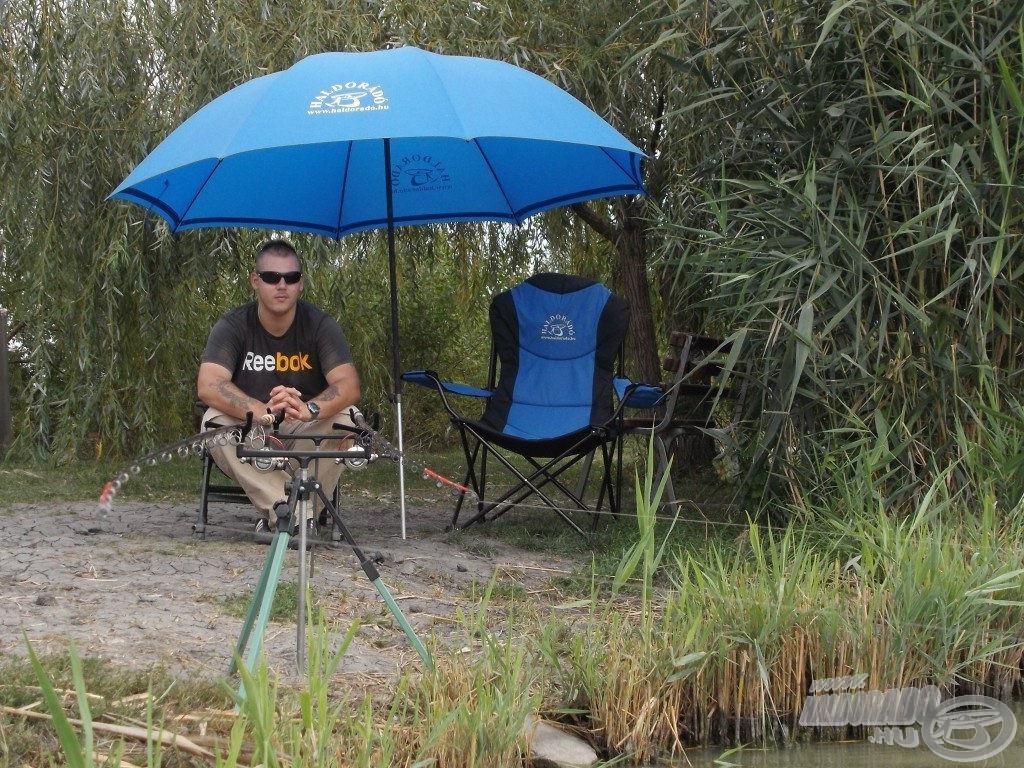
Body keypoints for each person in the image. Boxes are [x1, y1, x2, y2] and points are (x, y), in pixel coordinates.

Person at [197, 239, 362, 543]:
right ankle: (295, 516)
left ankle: (281, 517)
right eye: (272, 277)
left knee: (349, 418)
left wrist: (309, 409)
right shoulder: (233, 325)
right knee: (213, 422)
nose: (282, 285)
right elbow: (209, 385)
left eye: (292, 277)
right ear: (255, 281)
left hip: (305, 429)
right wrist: (261, 411)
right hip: (254, 433)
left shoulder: (320, 325)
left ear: (301, 283)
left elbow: (349, 385)